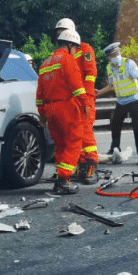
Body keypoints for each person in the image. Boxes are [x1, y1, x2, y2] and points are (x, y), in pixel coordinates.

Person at [36, 29, 87, 195]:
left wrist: (42, 114)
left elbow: (39, 94)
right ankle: (63, 181)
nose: (76, 52)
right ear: (70, 45)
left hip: (50, 110)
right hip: (66, 107)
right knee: (73, 142)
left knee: (60, 146)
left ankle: (61, 176)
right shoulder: (67, 59)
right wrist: (85, 105)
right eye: (76, 48)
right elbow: (77, 87)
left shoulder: (45, 63)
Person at [55, 18, 99, 182]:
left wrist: (85, 99)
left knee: (86, 132)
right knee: (73, 135)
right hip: (70, 101)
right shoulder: (61, 54)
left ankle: (91, 166)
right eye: (59, 33)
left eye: (63, 32)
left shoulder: (85, 49)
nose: (61, 35)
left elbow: (90, 74)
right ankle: (81, 165)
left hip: (83, 98)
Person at [96, 42, 138, 164]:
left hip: (134, 99)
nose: (115, 56)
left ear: (119, 53)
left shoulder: (128, 64)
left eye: (116, 54)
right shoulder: (109, 68)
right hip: (121, 101)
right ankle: (115, 150)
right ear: (109, 58)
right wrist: (99, 92)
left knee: (137, 126)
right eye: (112, 55)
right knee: (115, 124)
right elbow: (111, 86)